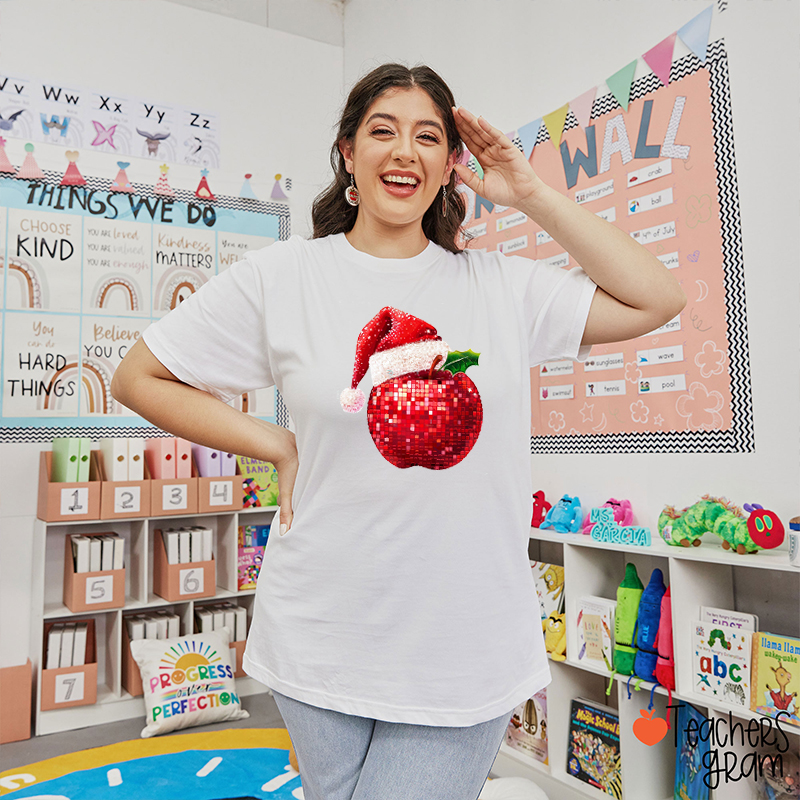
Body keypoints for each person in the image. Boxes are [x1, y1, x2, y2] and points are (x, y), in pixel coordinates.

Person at [112, 63, 685, 800]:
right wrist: (275, 443)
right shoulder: (283, 277)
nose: (404, 151)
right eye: (382, 131)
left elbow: (657, 298)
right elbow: (139, 378)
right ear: (348, 152)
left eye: (428, 136)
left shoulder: (502, 287)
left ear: (452, 164)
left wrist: (534, 194)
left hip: (462, 641)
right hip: (318, 628)